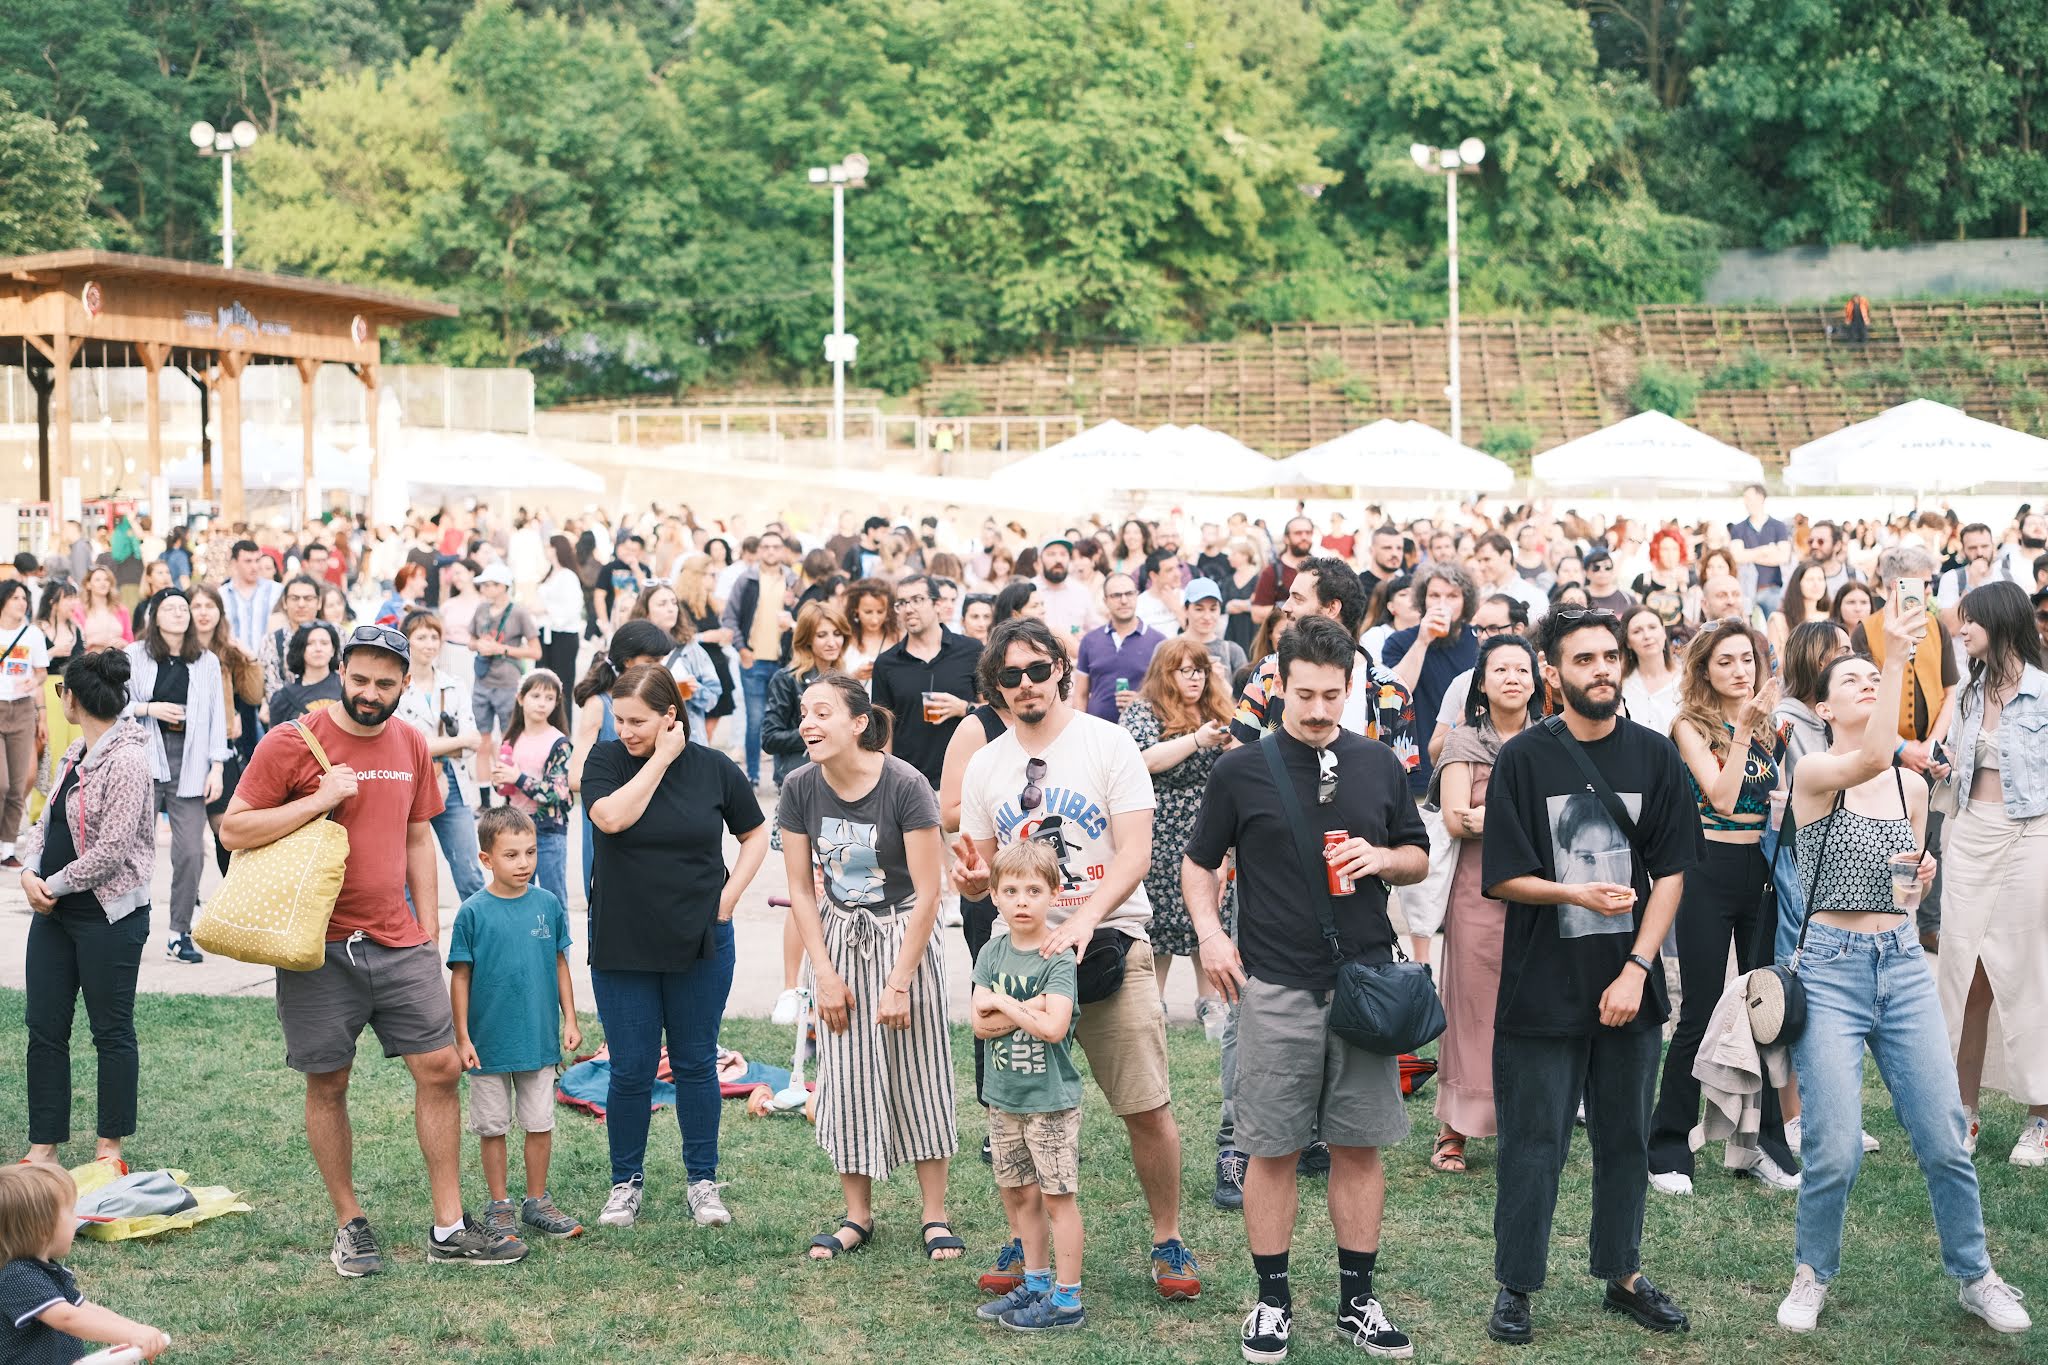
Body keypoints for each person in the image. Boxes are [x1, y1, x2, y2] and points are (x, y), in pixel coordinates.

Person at [224, 623, 527, 1272]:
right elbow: (235, 826)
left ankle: (448, 1226)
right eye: (358, 679)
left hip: (398, 939)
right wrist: (319, 800)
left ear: (402, 684)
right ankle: (349, 1219)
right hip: (316, 945)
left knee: (441, 1067)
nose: (369, 693)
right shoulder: (292, 741)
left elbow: (420, 837)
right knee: (329, 1080)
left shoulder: (411, 742)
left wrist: (428, 930)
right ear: (340, 671)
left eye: (384, 683)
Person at [1774, 604, 2030, 1335]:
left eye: (1871, 675)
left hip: (1901, 966)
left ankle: (1975, 1274)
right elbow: (1869, 754)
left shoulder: (1912, 789)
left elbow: (1904, 882)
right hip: (1829, 969)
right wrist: (1892, 660)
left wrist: (1916, 874)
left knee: (1945, 1134)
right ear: (1822, 706)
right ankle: (1812, 1271)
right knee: (1834, 1141)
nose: (1863, 683)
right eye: (1848, 678)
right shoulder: (1818, 770)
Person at [1183, 615, 1429, 1362]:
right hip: (1276, 986)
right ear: (1280, 686)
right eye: (1305, 694)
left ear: (1350, 688)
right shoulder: (1241, 769)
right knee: (1273, 1149)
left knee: (1358, 1145)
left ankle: (1358, 1300)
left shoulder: (1377, 762)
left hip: (1362, 987)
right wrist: (1211, 934)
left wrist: (1380, 855)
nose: (1319, 709)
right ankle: (1272, 1301)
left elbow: (1417, 855)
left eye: (1332, 694)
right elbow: (1199, 864)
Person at [953, 616, 1203, 1302]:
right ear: (995, 686)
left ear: (1062, 668)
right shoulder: (987, 763)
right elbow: (982, 868)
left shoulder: (1107, 743)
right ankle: (1028, 1242)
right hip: (1021, 963)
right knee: (1017, 1108)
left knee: (1144, 1103)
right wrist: (972, 882)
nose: (1027, 684)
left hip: (1111, 944)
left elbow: (1135, 851)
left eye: (1038, 669)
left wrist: (1088, 917)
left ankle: (1167, 1236)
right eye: (1010, 676)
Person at [1480, 606, 1698, 1346]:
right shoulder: (1523, 759)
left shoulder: (1655, 755)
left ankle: (1623, 1272)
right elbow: (1505, 875)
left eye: (1610, 657)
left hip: (1628, 985)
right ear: (1554, 673)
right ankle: (1517, 1283)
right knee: (1533, 1141)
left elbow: (1671, 871)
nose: (1602, 669)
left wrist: (1638, 967)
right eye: (1584, 659)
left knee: (1627, 1137)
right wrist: (1573, 891)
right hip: (1542, 986)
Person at [779, 676, 959, 1261]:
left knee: (921, 1068)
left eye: (822, 712)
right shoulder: (799, 786)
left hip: (903, 933)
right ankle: (858, 1215)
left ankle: (935, 1215)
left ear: (858, 723)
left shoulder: (905, 784)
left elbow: (931, 891)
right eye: (804, 712)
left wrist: (898, 983)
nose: (808, 722)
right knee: (845, 1074)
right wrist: (823, 975)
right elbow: (803, 892)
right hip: (837, 937)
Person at [583, 664, 769, 1231]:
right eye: (619, 719)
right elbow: (611, 817)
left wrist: (729, 899)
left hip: (701, 938)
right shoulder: (606, 761)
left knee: (695, 1063)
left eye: (637, 720)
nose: (625, 730)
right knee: (631, 1069)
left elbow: (756, 832)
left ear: (670, 716)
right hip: (622, 941)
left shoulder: (713, 768)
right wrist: (659, 759)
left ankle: (702, 1183)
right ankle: (625, 1184)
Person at [1645, 619, 1800, 1194]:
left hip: (1758, 876)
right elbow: (1721, 795)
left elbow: (1775, 808)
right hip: (1705, 871)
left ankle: (1758, 1147)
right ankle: (1668, 1147)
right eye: (1727, 661)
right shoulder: (1690, 726)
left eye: (1748, 660)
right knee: (1703, 1006)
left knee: (1766, 1010)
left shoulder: (1775, 730)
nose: (1740, 671)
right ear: (1705, 669)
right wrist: (1743, 734)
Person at [17, 650, 156, 1171]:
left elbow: (112, 851)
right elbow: (46, 819)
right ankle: (43, 1147)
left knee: (110, 1030)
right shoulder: (76, 749)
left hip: (109, 915)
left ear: (73, 698)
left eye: (60, 692)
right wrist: (30, 872)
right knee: (44, 1027)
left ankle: (109, 1150)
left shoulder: (129, 760)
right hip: (52, 911)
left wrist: (47, 883)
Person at [1935, 581, 2048, 1167]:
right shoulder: (1969, 693)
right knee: (1964, 972)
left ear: (1999, 622)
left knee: (2028, 972)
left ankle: (2041, 1118)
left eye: (1969, 622)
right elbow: (1950, 767)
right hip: (1970, 834)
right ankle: (1963, 1111)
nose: (1961, 631)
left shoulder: (2044, 693)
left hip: (2031, 835)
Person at [448, 805, 584, 1244]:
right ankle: (500, 1205)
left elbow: (560, 964)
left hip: (538, 1039)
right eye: (511, 855)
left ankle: (537, 1201)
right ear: (486, 859)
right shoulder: (472, 913)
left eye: (529, 852)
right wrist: (463, 1036)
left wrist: (570, 1019)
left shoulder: (548, 905)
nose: (524, 863)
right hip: (488, 1043)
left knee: (539, 1121)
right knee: (493, 1126)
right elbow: (461, 977)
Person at [1429, 633, 1539, 1176]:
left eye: (1522, 669)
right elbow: (1455, 820)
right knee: (1473, 1008)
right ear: (1482, 682)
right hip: (1477, 894)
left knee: (1530, 1010)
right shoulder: (1463, 743)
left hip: (1540, 897)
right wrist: (1523, 824)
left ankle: (1525, 1123)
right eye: (1501, 670)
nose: (1513, 678)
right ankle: (1454, 1130)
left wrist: (1490, 821)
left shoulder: (1551, 741)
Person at [971, 839, 1088, 1332]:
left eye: (1034, 890)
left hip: (1050, 1101)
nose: (1022, 900)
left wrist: (1009, 1005)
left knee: (1058, 1199)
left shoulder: (1056, 955)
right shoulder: (992, 950)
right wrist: (1032, 1007)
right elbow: (979, 1022)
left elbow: (1056, 1028)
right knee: (1021, 1196)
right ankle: (1036, 1283)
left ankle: (1067, 1300)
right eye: (1012, 890)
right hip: (1005, 1098)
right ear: (994, 895)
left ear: (1054, 895)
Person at [1120, 638, 1232, 1036]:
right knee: (1162, 924)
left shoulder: (1217, 708)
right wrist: (1198, 740)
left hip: (1210, 825)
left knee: (1207, 919)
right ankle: (1155, 1004)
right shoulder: (1143, 712)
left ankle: (1212, 1003)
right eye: (1186, 670)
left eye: (1201, 670)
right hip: (1161, 827)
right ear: (1166, 674)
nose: (1196, 678)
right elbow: (1144, 760)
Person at [1848, 545, 1955, 951]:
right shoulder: (1868, 629)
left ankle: (1928, 924)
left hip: (1928, 750)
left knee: (1930, 842)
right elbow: (1862, 697)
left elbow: (1949, 689)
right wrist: (1900, 747)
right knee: (1880, 838)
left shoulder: (1936, 625)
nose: (1929, 592)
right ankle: (1878, 923)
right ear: (1898, 584)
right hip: (1883, 752)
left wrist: (1931, 744)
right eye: (1924, 583)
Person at [123, 591, 230, 965]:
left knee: (190, 853)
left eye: (184, 608)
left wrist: (217, 767)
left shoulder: (206, 661)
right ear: (154, 616)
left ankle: (178, 933)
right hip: (143, 759)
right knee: (134, 851)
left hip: (191, 761)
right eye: (170, 608)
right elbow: (113, 700)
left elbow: (218, 716)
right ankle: (126, 929)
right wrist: (148, 708)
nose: (180, 614)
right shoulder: (133, 654)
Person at [0, 1163, 170, 1362]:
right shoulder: (16, 1275)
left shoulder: (43, 1270)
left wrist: (134, 1329)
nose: (77, 1217)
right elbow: (68, 1318)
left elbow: (82, 1308)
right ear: (43, 1228)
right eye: (71, 1210)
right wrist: (130, 1334)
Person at [570, 620, 672, 900]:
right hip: (610, 826)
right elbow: (575, 776)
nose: (660, 667)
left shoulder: (660, 706)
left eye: (662, 660)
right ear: (627, 661)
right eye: (651, 660)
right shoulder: (599, 705)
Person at [395, 611, 486, 906]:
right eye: (421, 637)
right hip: (408, 784)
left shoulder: (454, 684)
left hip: (453, 781)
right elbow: (401, 745)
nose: (429, 644)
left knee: (470, 872)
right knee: (405, 876)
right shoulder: (394, 687)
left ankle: (480, 942)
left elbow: (473, 741)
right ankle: (410, 946)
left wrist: (433, 745)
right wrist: (453, 743)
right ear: (407, 641)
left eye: (435, 637)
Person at [870, 573, 982, 789]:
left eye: (917, 600)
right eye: (902, 603)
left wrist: (963, 708)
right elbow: (884, 731)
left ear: (937, 604)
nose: (908, 608)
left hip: (967, 780)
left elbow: (996, 711)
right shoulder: (886, 663)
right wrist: (886, 782)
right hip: (910, 782)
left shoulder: (971, 650)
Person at [1384, 561, 1480, 799]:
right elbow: (1395, 694)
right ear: (1422, 600)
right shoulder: (1400, 642)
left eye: (1452, 596)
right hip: (1418, 771)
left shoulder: (1479, 641)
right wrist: (1423, 640)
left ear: (1466, 601)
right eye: (1434, 595)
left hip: (1472, 767)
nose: (1442, 604)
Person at [723, 528, 798, 785]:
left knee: (784, 721)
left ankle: (782, 777)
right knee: (755, 721)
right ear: (758, 551)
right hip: (753, 660)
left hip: (784, 662)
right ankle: (753, 775)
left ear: (783, 551)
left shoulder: (792, 580)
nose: (770, 551)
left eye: (775, 547)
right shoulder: (747, 579)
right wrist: (742, 649)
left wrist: (794, 606)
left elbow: (806, 617)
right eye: (765, 547)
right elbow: (730, 617)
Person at [492, 669, 572, 906]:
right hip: (515, 829)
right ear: (521, 698)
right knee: (516, 897)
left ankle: (559, 945)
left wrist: (517, 777)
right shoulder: (511, 739)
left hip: (548, 831)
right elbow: (504, 790)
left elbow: (556, 792)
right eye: (536, 696)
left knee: (552, 899)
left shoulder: (559, 743)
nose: (542, 704)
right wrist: (500, 781)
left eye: (549, 698)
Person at [630, 582, 723, 741]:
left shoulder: (691, 649)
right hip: (646, 741)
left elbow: (713, 696)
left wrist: (695, 690)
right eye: (662, 604)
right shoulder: (633, 649)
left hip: (687, 740)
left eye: (674, 603)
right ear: (646, 612)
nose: (671, 608)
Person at [0, 581, 48, 868]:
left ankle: (7, 847)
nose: (22, 602)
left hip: (21, 709)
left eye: (24, 598)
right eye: (15, 597)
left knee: (18, 784)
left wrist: (36, 681)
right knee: (1, 783)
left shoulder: (33, 635)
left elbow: (41, 671)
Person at [1073, 573, 1163, 722]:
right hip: (1098, 732)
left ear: (1137, 596)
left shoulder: (1159, 642)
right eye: (1116, 595)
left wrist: (1141, 701)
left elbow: (1170, 696)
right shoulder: (1090, 641)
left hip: (1144, 734)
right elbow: (1080, 695)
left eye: (1129, 593)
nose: (1124, 600)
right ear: (1105, 601)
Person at [469, 564, 540, 740]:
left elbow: (536, 652)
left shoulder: (519, 612)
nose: (483, 589)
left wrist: (501, 649)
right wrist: (479, 645)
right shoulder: (481, 609)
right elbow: (470, 641)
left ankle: (504, 768)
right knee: (480, 739)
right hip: (482, 680)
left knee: (508, 738)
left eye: (487, 584)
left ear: (502, 586)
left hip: (508, 683)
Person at [676, 553, 737, 742]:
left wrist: (721, 635)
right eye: (711, 574)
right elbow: (677, 637)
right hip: (697, 669)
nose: (715, 579)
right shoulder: (681, 605)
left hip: (715, 665)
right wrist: (705, 637)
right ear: (697, 576)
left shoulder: (709, 601)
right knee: (697, 727)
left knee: (709, 726)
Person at [535, 534, 586, 713]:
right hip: (545, 633)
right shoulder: (550, 573)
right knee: (541, 685)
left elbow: (572, 608)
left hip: (563, 635)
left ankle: (562, 731)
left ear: (557, 548)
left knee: (561, 685)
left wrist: (545, 610)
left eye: (549, 546)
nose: (546, 550)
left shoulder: (568, 576)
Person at [1618, 604, 1681, 737]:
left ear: (1664, 632)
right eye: (1637, 631)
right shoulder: (1621, 684)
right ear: (1628, 642)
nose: (1647, 636)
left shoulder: (1686, 679)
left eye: (1652, 627)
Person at [267, 622, 345, 727]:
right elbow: (275, 740)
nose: (318, 648)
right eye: (310, 643)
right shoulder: (284, 697)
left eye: (324, 643)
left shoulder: (346, 686)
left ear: (333, 650)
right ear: (300, 649)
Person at [259, 575, 324, 699]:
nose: (301, 604)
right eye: (294, 598)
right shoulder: (272, 641)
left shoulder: (337, 634)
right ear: (284, 602)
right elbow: (272, 688)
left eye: (308, 598)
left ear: (319, 602)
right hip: (287, 713)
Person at [1248, 516, 1316, 630]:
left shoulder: (1321, 569)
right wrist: (1296, 609)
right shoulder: (1272, 572)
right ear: (1286, 538)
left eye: (1308, 532)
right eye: (1298, 533)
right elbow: (1256, 614)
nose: (1304, 537)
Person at [1181, 578, 1247, 681]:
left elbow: (1247, 695)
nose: (1207, 617)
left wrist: (1221, 682)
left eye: (1213, 609)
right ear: (1185, 610)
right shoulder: (1167, 649)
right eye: (1199, 609)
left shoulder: (1233, 652)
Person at [1471, 533, 1548, 621]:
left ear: (1506, 556)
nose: (1481, 567)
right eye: (1479, 561)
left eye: (1487, 559)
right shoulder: (1481, 593)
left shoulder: (1533, 595)